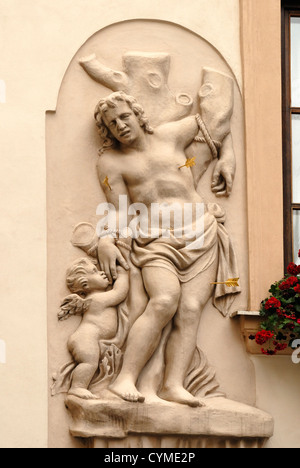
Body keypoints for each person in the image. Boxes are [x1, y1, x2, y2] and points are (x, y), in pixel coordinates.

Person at [94, 91, 238, 407]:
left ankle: (173, 384)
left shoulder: (172, 134)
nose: (120, 125)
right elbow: (118, 208)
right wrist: (106, 238)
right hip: (154, 240)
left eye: (123, 116)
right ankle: (124, 378)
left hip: (200, 233)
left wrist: (227, 156)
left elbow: (217, 125)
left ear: (137, 114)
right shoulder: (111, 161)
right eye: (112, 123)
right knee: (164, 300)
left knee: (189, 311)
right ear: (107, 130)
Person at [58, 257, 129, 400]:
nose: (103, 273)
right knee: (89, 362)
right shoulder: (97, 299)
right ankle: (77, 387)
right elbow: (119, 293)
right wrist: (123, 274)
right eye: (95, 272)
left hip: (88, 337)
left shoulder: (95, 298)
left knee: (90, 362)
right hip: (86, 338)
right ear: (85, 284)